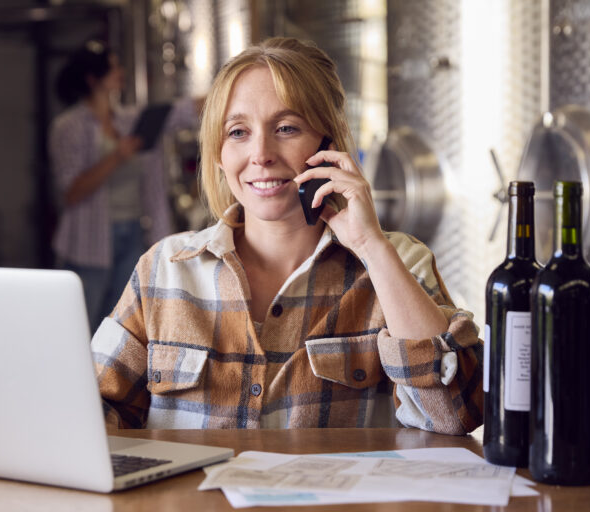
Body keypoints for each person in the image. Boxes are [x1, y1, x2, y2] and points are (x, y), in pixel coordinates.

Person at [91, 37, 483, 434]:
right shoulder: (163, 270)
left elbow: (454, 415)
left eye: (286, 128)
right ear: (218, 154)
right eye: (238, 132)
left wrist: (370, 246)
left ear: (329, 143)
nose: (261, 153)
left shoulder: (397, 262)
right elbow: (92, 411)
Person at [49, 40, 200, 328]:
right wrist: (117, 156)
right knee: (80, 325)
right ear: (93, 78)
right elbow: (71, 192)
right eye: (114, 67)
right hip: (87, 239)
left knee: (121, 324)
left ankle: (108, 375)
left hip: (132, 233)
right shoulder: (68, 127)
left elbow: (182, 111)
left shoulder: (131, 119)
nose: (121, 71)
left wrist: (235, 86)